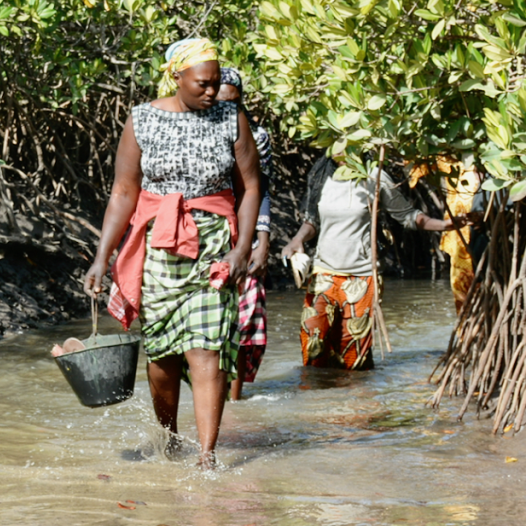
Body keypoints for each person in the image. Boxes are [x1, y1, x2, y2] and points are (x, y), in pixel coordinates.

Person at [82, 38, 261, 468]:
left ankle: (206, 456)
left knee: (206, 347)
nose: (212, 91)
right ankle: (171, 441)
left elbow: (251, 187)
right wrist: (101, 257)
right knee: (162, 354)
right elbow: (123, 192)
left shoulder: (231, 117)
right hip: (159, 247)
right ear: (176, 76)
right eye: (203, 83)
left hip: (214, 244)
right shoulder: (142, 119)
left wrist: (241, 249)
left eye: (217, 83)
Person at [281, 155, 465, 370]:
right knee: (313, 343)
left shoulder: (375, 178)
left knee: (353, 354)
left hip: (362, 275)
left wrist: (445, 225)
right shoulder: (323, 176)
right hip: (324, 273)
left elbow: (407, 215)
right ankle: (317, 400)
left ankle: (354, 400)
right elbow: (311, 221)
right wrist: (297, 240)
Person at [216, 69, 271, 400]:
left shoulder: (257, 135)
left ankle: (235, 403)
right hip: (209, 233)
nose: (228, 109)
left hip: (246, 234)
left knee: (246, 320)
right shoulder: (195, 130)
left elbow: (261, 189)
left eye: (234, 102)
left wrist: (262, 242)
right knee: (212, 322)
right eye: (221, 101)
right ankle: (212, 396)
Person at [409, 158, 482, 314]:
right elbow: (413, 166)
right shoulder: (448, 157)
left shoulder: (491, 162)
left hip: (490, 234)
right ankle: (468, 333)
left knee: (490, 286)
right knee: (463, 292)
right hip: (459, 237)